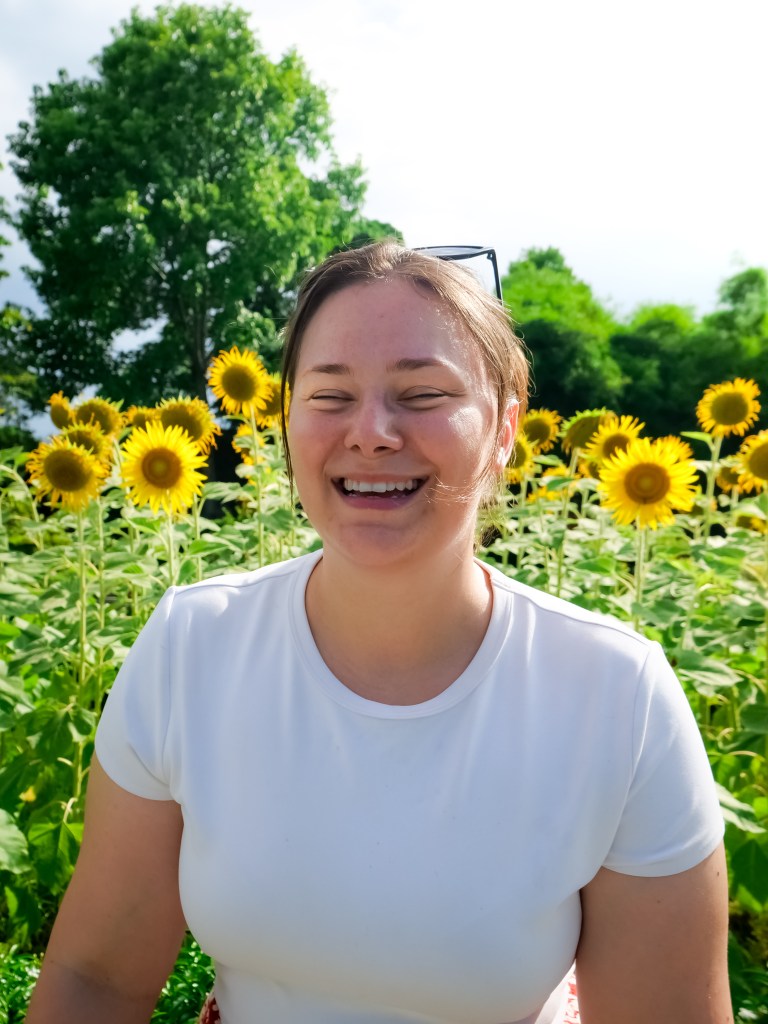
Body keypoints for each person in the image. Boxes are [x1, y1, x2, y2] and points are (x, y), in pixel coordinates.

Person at [27, 241, 732, 1024]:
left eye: (422, 393)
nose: (370, 432)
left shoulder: (616, 696)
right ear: (287, 417)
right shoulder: (192, 648)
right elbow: (95, 980)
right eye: (330, 395)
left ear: (505, 425)